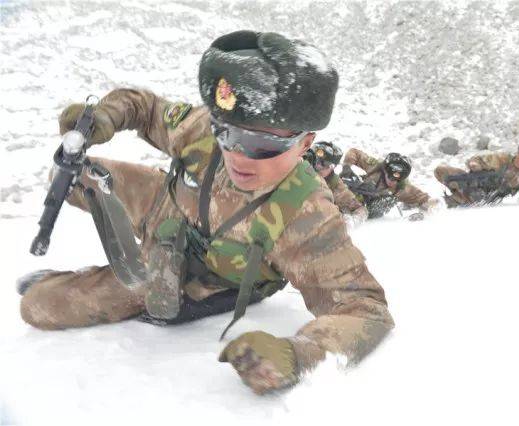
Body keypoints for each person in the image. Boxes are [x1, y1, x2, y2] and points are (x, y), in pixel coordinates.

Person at [18, 30, 394, 395]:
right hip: (164, 208)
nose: (237, 156)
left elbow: (366, 311)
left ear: (305, 144)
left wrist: (297, 355)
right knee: (69, 173)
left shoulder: (305, 213)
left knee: (37, 306)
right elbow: (146, 108)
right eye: (227, 134)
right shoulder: (202, 129)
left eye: (261, 145)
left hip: (187, 272)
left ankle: (76, 280)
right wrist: (105, 116)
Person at [434, 139, 519, 207]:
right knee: (442, 171)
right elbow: (478, 160)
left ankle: (456, 196)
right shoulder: (502, 159)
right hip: (470, 185)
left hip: (481, 202)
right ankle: (456, 190)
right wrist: (476, 165)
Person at [340, 148, 437, 220]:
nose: (393, 182)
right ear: (385, 171)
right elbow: (354, 152)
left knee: (388, 199)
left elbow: (426, 200)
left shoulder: (403, 189)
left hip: (366, 209)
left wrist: (427, 212)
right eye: (390, 177)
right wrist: (346, 167)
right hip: (352, 191)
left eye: (397, 180)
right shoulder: (374, 166)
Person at [303, 141, 368, 225]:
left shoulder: (335, 185)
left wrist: (349, 222)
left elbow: (360, 209)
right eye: (314, 160)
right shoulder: (297, 166)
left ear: (332, 168)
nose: (317, 166)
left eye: (324, 164)